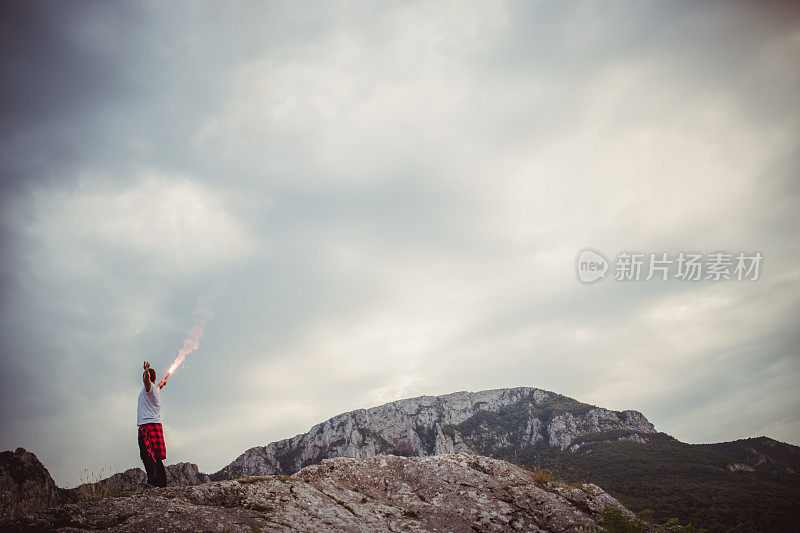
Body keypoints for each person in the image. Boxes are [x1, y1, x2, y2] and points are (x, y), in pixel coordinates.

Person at [137, 361, 169, 488]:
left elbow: (146, 381)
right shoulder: (156, 389)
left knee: (146, 454)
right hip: (155, 426)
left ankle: (152, 482)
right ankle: (162, 483)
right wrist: (163, 383)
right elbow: (160, 385)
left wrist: (146, 370)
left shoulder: (149, 388)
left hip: (147, 426)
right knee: (156, 456)